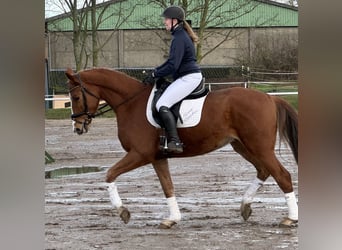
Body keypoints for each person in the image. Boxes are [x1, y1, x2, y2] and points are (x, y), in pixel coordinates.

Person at [146, 5, 203, 153]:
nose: (164, 22)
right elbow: (170, 62)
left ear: (174, 21)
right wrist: (156, 71)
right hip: (184, 76)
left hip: (188, 77)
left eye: (166, 19)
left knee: (162, 104)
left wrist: (155, 75)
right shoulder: (179, 36)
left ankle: (175, 142)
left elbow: (173, 65)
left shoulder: (179, 38)